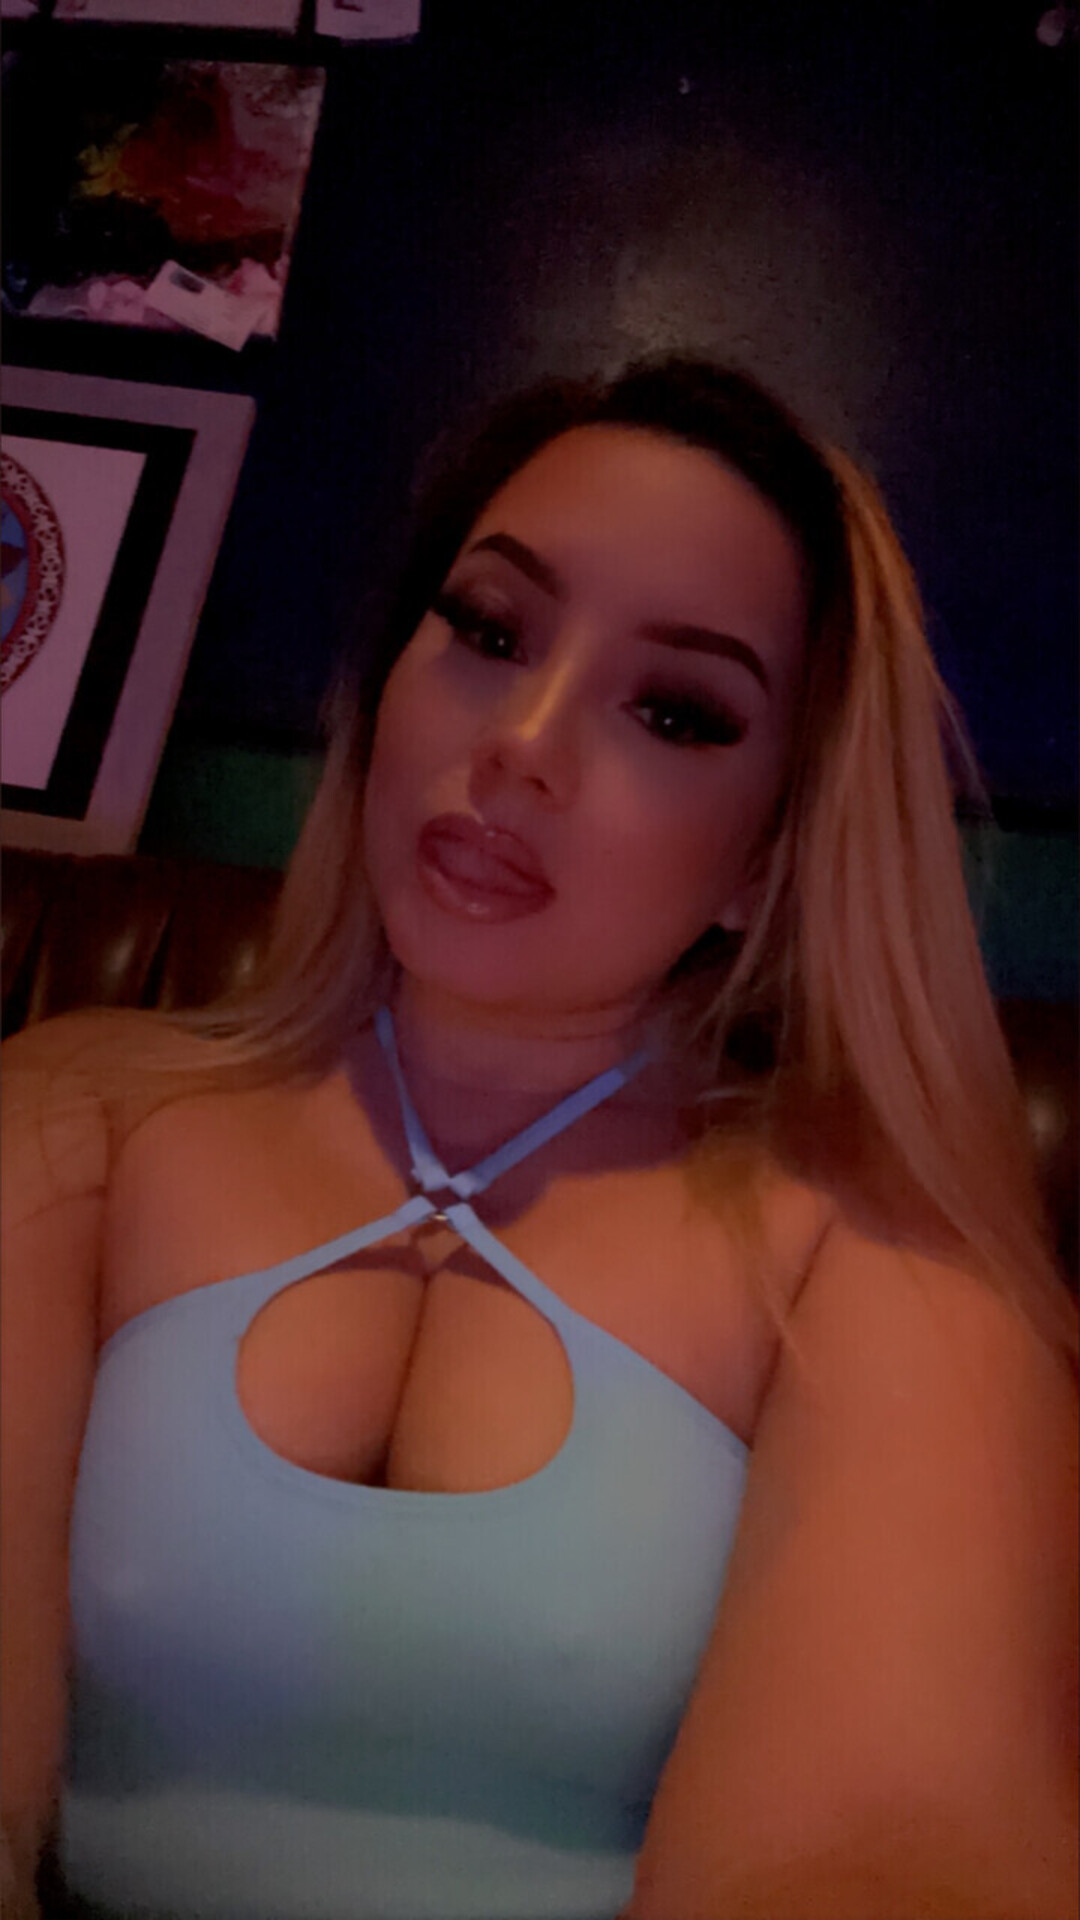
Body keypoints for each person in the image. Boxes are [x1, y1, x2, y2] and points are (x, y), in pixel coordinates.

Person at [2, 357, 1077, 1920]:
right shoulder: (76, 1118)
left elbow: (901, 1846)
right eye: (489, 630)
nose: (523, 741)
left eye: (675, 710)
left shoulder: (876, 1251)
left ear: (768, 859)